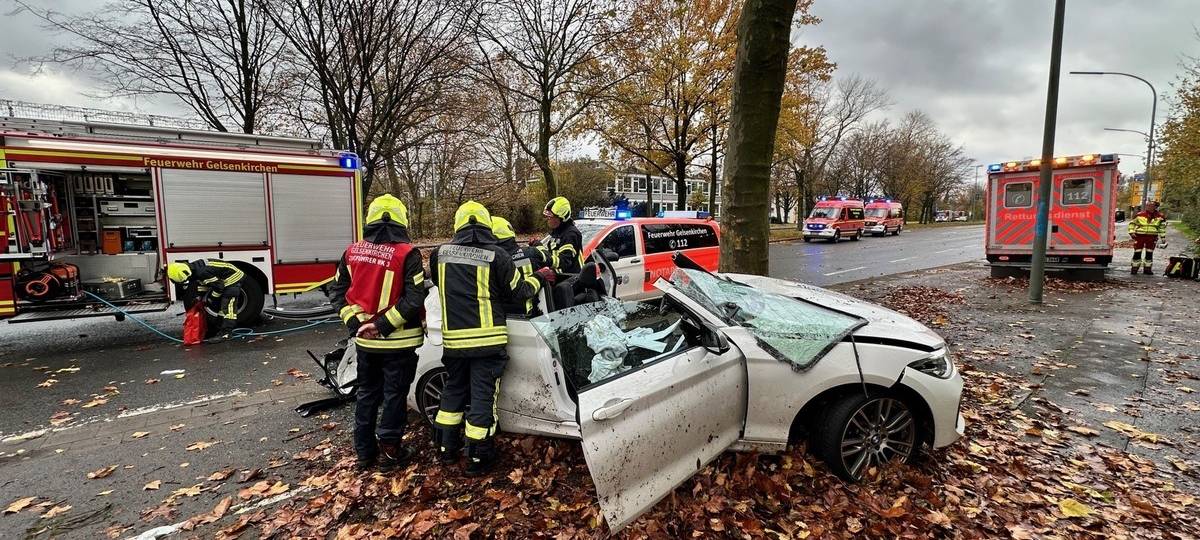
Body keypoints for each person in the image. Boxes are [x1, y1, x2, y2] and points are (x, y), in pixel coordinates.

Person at [430, 201, 554, 475]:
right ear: (487, 226)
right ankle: (477, 459)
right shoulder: (497, 255)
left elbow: (442, 285)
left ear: (458, 225)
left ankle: (446, 451)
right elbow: (519, 292)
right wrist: (539, 277)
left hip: (454, 343)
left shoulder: (439, 255)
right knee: (482, 399)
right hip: (487, 342)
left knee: (452, 393)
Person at [329, 194, 427, 472]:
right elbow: (414, 299)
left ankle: (364, 453)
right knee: (395, 396)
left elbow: (337, 292)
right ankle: (391, 452)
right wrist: (382, 326)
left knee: (367, 394)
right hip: (399, 343)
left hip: (365, 343)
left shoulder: (352, 252)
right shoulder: (408, 254)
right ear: (400, 220)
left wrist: (356, 324)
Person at [491, 216, 549, 317]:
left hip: (501, 318)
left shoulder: (490, 262)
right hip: (532, 316)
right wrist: (538, 245)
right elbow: (548, 257)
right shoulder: (532, 253)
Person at [166, 259, 245, 331]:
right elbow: (204, 283)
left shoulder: (202, 272)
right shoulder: (192, 268)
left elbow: (219, 287)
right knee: (221, 305)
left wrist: (211, 299)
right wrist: (199, 297)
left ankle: (227, 331)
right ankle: (220, 325)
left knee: (228, 304)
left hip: (233, 277)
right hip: (223, 278)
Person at [540, 196, 583, 275]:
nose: (547, 219)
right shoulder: (557, 232)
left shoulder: (571, 235)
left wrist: (548, 264)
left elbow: (565, 261)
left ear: (561, 217)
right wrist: (538, 246)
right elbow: (551, 253)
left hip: (571, 278)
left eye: (550, 217)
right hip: (560, 277)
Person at [1128, 200, 1168, 275]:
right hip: (1139, 236)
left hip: (1152, 237)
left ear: (1155, 207)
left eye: (1151, 206)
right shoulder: (1140, 215)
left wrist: (1163, 238)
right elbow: (1132, 224)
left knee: (1149, 253)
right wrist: (1131, 232)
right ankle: (1134, 269)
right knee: (1137, 252)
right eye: (1148, 205)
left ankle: (1147, 269)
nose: (1148, 207)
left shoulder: (1160, 216)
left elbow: (1161, 228)